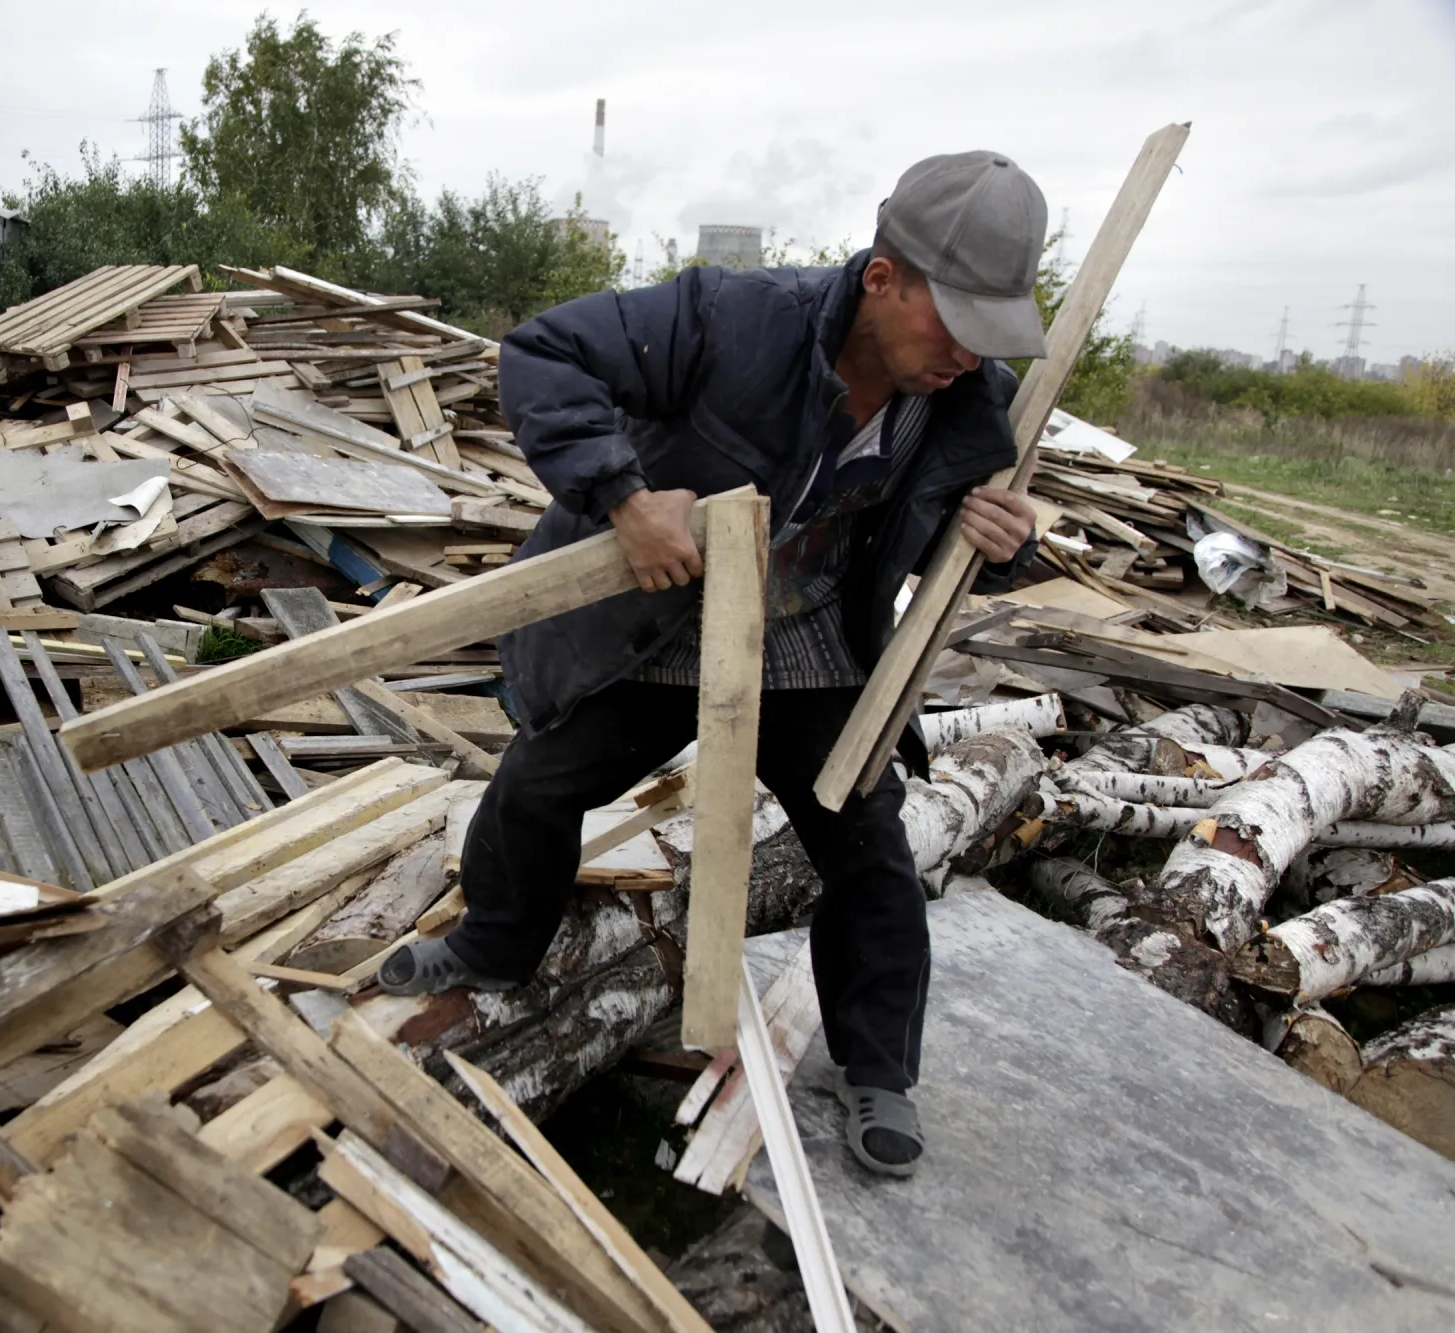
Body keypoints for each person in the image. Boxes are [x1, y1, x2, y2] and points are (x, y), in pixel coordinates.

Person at [378, 151, 1049, 1178]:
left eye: (987, 332)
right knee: (539, 778)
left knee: (868, 842)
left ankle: (877, 1068)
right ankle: (491, 949)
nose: (966, 353)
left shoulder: (965, 402)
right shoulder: (735, 317)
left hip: (811, 633)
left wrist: (999, 545)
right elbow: (542, 354)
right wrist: (624, 497)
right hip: (663, 616)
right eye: (950, 322)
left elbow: (960, 541)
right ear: (881, 277)